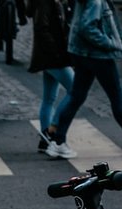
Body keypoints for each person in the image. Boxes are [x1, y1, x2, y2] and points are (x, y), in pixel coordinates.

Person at [45, 0, 122, 160]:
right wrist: (110, 43)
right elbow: (87, 28)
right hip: (98, 55)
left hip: (81, 53)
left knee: (76, 97)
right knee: (116, 97)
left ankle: (58, 142)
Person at [23, 0, 74, 153]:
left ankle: (45, 140)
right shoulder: (45, 2)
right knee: (76, 90)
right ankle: (53, 129)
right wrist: (57, 53)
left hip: (49, 56)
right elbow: (41, 28)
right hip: (53, 57)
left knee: (49, 98)